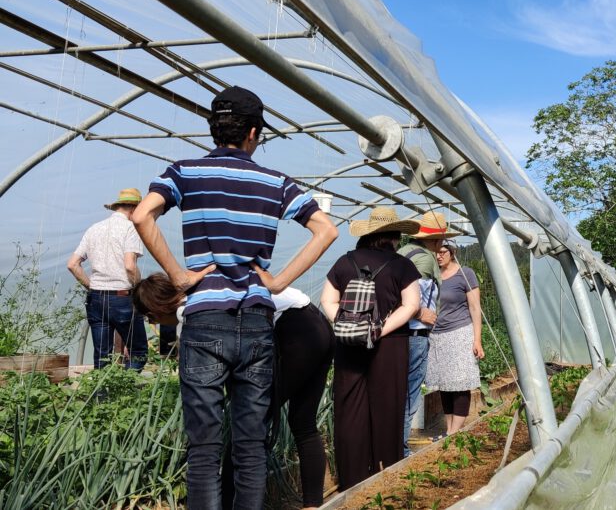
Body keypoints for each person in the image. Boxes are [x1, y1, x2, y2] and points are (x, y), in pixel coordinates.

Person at [131, 86, 338, 509]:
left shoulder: (182, 171)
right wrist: (277, 282)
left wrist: (177, 274)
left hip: (205, 320)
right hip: (258, 323)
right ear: (254, 133)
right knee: (250, 445)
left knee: (205, 450)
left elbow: (141, 214)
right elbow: (327, 230)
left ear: (214, 129)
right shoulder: (276, 182)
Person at [132, 273, 334, 510]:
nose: (152, 324)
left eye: (149, 319)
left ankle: (229, 504)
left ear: (153, 312)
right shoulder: (206, 285)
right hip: (317, 326)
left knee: (247, 430)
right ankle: (313, 505)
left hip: (294, 335)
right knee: (303, 423)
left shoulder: (190, 311)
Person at [320, 207, 421, 490]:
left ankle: (352, 483)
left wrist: (346, 325)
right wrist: (378, 330)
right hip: (389, 346)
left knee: (349, 410)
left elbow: (327, 300)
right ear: (394, 236)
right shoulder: (402, 265)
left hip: (348, 343)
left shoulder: (344, 261)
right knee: (388, 409)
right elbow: (411, 305)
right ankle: (387, 479)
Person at [397, 211, 459, 456]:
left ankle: (390, 447)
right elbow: (405, 295)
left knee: (395, 393)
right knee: (409, 397)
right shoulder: (423, 260)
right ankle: (400, 450)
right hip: (414, 335)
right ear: (436, 241)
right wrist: (419, 312)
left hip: (397, 334)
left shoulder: (403, 252)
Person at [67, 188, 148, 370]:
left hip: (96, 298)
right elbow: (129, 265)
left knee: (102, 356)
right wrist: (140, 289)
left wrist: (91, 286)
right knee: (138, 352)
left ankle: (101, 397)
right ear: (134, 209)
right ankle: (124, 391)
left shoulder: (94, 228)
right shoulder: (131, 228)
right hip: (122, 298)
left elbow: (73, 264)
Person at [427, 241, 484, 435]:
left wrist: (477, 339)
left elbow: (475, 308)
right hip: (437, 335)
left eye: (442, 252)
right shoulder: (433, 276)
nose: (438, 256)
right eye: (436, 252)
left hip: (460, 332)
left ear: (452, 252)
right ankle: (450, 430)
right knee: (445, 384)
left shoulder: (465, 274)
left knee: (459, 383)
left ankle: (453, 432)